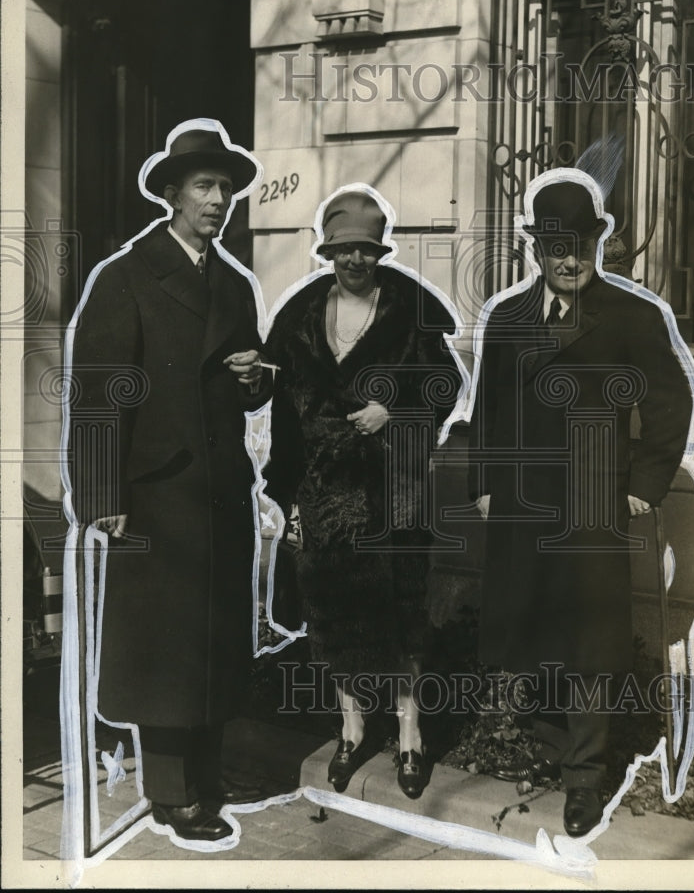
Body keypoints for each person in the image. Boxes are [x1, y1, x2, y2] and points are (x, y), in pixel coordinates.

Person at [469, 168, 694, 837]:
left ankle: (584, 779)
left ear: (597, 246)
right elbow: (489, 408)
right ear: (535, 250)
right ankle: (551, 746)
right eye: (555, 247)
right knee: (535, 625)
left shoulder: (632, 316)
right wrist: (483, 481)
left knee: (591, 641)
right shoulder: (507, 319)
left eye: (581, 246)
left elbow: (669, 404)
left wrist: (643, 485)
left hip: (594, 503)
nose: (568, 260)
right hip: (522, 502)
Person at [67, 122, 270, 842]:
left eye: (227, 190)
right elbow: (97, 394)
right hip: (156, 493)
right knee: (166, 647)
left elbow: (244, 382)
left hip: (218, 491)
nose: (219, 202)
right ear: (171, 195)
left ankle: (207, 778)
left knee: (214, 640)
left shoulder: (234, 281)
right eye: (205, 187)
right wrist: (100, 496)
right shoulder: (124, 277)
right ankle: (173, 794)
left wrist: (256, 379)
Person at [263, 186, 464, 799]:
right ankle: (351, 729)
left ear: (380, 253)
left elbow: (446, 384)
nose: (356, 260)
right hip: (325, 493)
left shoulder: (408, 310)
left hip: (394, 489)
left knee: (403, 615)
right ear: (329, 251)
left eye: (367, 250)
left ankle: (409, 734)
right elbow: (281, 411)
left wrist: (395, 410)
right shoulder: (299, 319)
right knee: (334, 614)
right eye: (345, 249)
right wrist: (287, 494)